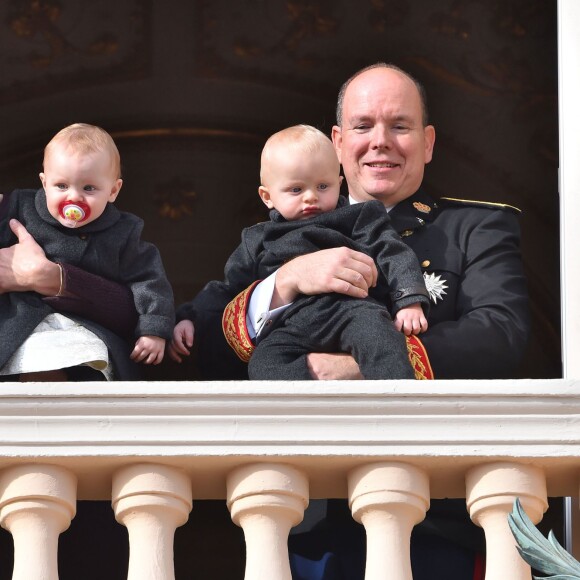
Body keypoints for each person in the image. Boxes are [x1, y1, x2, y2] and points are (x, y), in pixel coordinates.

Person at [178, 63, 531, 579]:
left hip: (433, 517)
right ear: (338, 143)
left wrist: (359, 367)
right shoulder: (279, 234)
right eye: (364, 127)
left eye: (401, 126)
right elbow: (200, 347)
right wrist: (287, 282)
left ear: (428, 142)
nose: (380, 142)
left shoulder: (475, 226)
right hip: (302, 517)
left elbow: (501, 334)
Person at [171, 124, 429, 379]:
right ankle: (301, 418)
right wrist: (189, 318)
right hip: (295, 323)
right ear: (267, 196)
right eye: (296, 189)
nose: (310, 197)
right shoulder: (258, 238)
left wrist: (410, 300)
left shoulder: (359, 218)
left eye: (323, 186)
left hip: (353, 311)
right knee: (264, 363)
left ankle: (398, 409)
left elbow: (393, 253)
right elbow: (227, 289)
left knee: (382, 340)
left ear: (339, 184)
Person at [0, 123, 174, 381]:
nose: (74, 198)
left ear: (113, 191)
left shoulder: (123, 232)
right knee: (29, 354)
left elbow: (148, 279)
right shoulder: (20, 208)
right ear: (44, 183)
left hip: (83, 327)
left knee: (89, 358)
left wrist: (153, 329)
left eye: (89, 189)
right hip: (20, 320)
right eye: (61, 185)